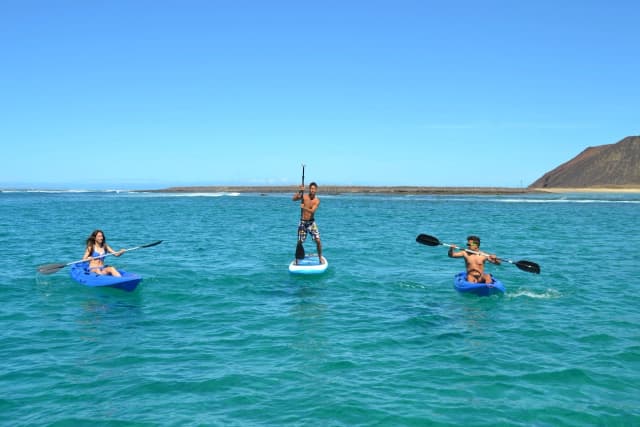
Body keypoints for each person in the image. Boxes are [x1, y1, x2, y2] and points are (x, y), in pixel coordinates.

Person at [292, 182, 324, 264]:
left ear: (316, 190)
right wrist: (300, 191)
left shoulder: (317, 200)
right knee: (299, 241)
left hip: (311, 223)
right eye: (311, 188)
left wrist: (304, 207)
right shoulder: (304, 196)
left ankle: (320, 257)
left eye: (314, 189)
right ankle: (296, 258)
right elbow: (294, 199)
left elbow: (313, 210)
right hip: (303, 222)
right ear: (309, 189)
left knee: (318, 241)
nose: (312, 190)